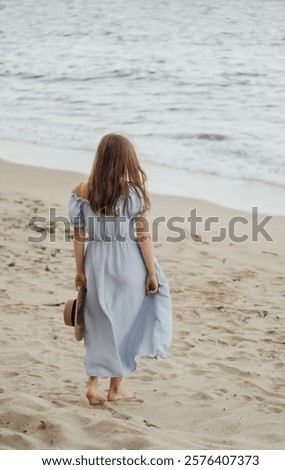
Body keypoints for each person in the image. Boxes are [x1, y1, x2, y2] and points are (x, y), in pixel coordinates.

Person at [68, 133, 172, 405]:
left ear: (99, 158)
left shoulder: (82, 191)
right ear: (127, 160)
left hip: (97, 261)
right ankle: (116, 389)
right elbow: (143, 236)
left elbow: (78, 236)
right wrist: (151, 272)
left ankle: (93, 385)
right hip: (129, 262)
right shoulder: (133, 194)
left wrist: (80, 270)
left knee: (98, 323)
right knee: (127, 322)